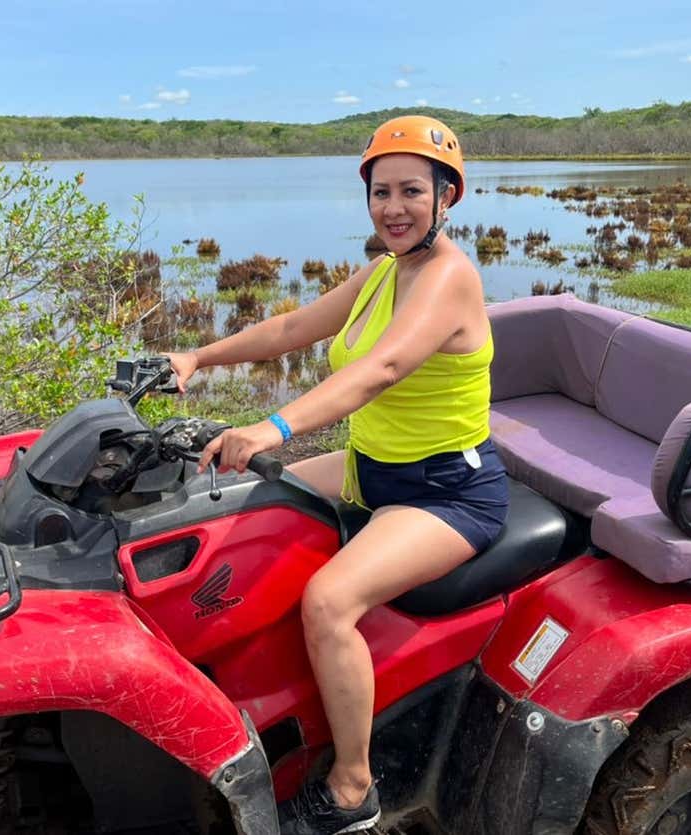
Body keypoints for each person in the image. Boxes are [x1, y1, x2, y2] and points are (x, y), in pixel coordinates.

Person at [165, 115, 508, 835]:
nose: (393, 207)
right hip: (369, 468)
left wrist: (274, 425)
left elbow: (379, 369)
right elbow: (291, 329)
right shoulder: (386, 269)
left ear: (448, 197)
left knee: (328, 600)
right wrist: (197, 357)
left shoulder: (448, 276)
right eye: (381, 192)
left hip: (445, 491)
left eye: (412, 191)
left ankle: (353, 787)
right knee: (247, 496)